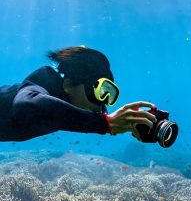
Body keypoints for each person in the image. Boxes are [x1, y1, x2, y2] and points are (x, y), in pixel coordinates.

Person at [0, 46, 157, 142]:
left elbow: (99, 120)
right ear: (69, 84)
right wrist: (104, 123)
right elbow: (26, 104)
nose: (102, 102)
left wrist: (130, 124)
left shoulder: (78, 108)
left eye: (107, 93)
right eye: (97, 90)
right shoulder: (44, 81)